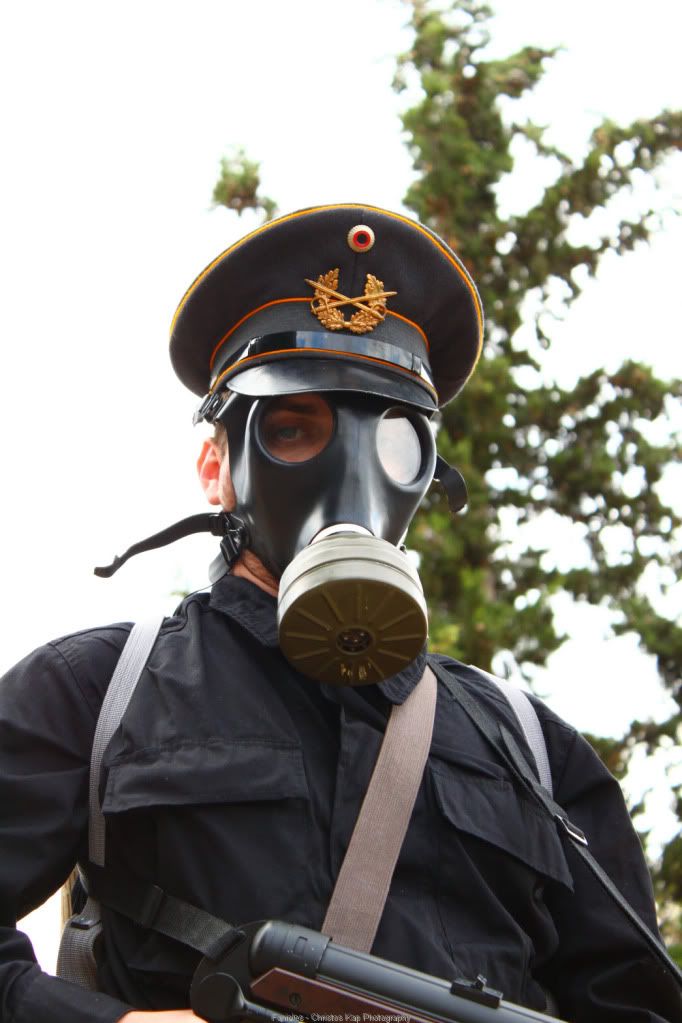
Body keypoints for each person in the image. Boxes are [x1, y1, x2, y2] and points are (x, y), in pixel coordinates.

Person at [0, 204, 679, 1023]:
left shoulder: (532, 752)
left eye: (394, 442)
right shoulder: (96, 694)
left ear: (425, 473)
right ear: (216, 465)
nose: (350, 479)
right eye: (292, 428)